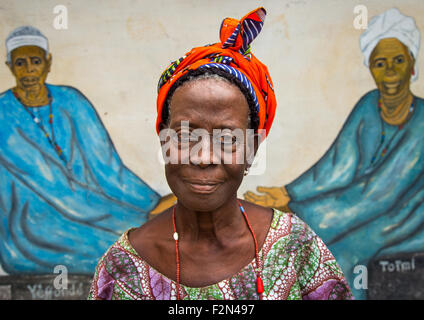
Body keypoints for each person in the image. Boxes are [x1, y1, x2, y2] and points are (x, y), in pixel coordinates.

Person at [88, 8, 352, 300]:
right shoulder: (123, 268)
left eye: (226, 139)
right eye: (186, 136)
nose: (203, 158)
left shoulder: (295, 247)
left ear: (251, 150)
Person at [244, 8, 424, 299]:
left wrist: (300, 209)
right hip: (364, 211)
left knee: (343, 251)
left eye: (398, 60)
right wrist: (289, 193)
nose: (389, 70)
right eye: (380, 63)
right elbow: (336, 165)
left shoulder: (422, 122)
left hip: (407, 217)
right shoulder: (369, 104)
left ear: (412, 65)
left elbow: (380, 193)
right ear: (371, 69)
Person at [0, 26, 174, 274]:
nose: (28, 70)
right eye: (20, 63)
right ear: (10, 66)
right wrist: (144, 217)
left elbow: (109, 170)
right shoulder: (3, 115)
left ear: (48, 63)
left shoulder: (71, 100)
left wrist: (152, 205)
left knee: (150, 237)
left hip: (95, 212)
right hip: (34, 231)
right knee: (138, 245)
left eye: (35, 61)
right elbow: (56, 187)